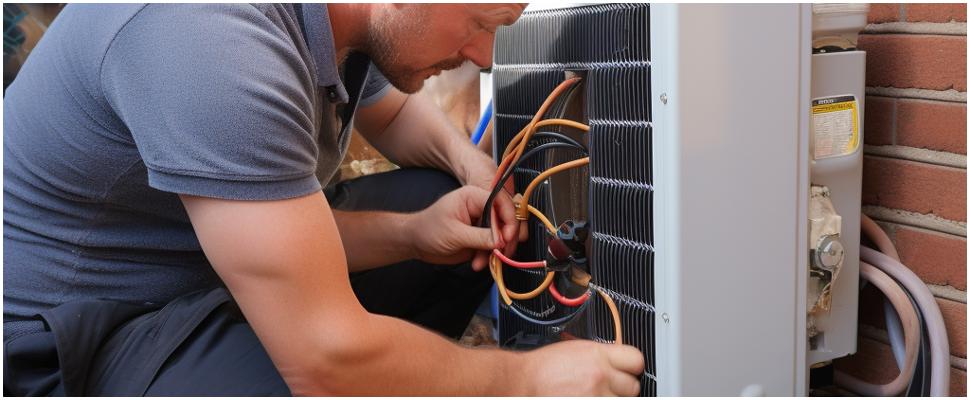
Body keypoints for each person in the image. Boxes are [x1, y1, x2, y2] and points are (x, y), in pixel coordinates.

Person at [3, 3, 644, 396]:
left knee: (441, 198)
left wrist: (429, 217)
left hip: (201, 266)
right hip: (75, 339)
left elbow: (285, 223)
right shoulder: (210, 41)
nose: (481, 58)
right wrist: (525, 383)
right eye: (482, 24)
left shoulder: (344, 22)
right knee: (342, 373)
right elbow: (325, 361)